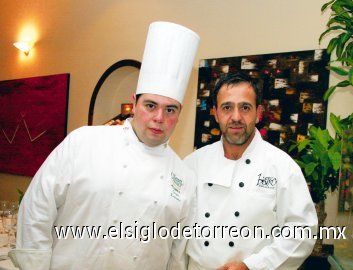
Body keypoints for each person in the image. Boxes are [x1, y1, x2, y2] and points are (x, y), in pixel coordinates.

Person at [9, 21, 200, 270]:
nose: (159, 118)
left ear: (180, 113)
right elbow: (37, 207)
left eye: (170, 109)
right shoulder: (84, 142)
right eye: (150, 105)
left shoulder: (184, 177)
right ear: (134, 102)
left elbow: (177, 251)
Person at [184, 72, 318, 270]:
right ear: (215, 113)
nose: (236, 117)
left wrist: (252, 266)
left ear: (259, 112)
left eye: (245, 107)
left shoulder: (282, 167)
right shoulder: (192, 164)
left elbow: (301, 231)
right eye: (227, 107)